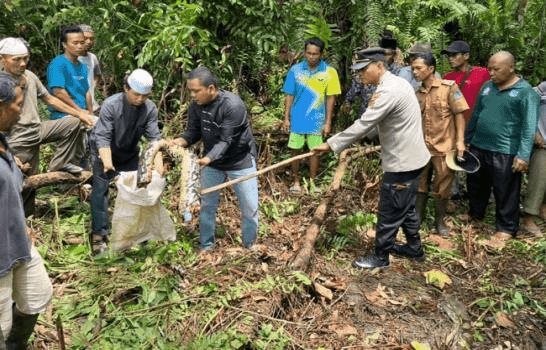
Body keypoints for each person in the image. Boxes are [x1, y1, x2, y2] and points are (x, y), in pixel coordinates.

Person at [314, 48, 430, 269]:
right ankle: (414, 249)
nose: (361, 75)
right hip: (413, 158)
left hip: (403, 162)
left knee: (390, 209)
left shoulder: (388, 91)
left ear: (379, 66)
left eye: (364, 69)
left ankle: (380, 257)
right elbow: (378, 123)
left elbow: (365, 123)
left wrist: (331, 145)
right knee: (405, 206)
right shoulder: (396, 84)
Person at [0, 37, 93, 216]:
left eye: (25, 58)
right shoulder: (2, 83)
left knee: (73, 123)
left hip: (37, 129)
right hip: (17, 137)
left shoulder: (30, 76)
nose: (22, 63)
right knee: (25, 181)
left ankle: (61, 164)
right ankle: (23, 221)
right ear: (2, 58)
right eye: (16, 59)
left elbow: (49, 99)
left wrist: (80, 113)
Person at [171, 66, 258, 250]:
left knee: (249, 208)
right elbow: (193, 132)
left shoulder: (233, 105)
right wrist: (179, 141)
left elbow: (226, 141)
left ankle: (250, 245)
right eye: (190, 91)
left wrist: (206, 159)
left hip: (239, 161)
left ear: (211, 88)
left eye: (196, 91)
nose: (193, 95)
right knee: (207, 206)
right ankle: (206, 246)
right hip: (212, 162)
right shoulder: (196, 105)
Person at [0, 72, 53, 349]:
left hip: (20, 244)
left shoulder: (3, 140)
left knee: (37, 297)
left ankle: (16, 345)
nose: (21, 113)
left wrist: (21, 225)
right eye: (17, 105)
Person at [465, 51, 540, 239]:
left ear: (511, 68)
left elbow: (529, 126)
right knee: (476, 184)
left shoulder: (525, 92)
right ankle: (476, 214)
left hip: (505, 150)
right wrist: (466, 139)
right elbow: (476, 114)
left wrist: (523, 155)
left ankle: (506, 228)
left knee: (505, 190)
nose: (491, 73)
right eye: (489, 68)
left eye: (496, 69)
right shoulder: (487, 87)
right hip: (479, 145)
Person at [89, 69, 161, 255]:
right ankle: (99, 235)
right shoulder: (111, 105)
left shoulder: (150, 108)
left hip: (129, 152)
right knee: (100, 190)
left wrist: (158, 165)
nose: (140, 99)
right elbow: (103, 136)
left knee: (136, 189)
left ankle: (135, 232)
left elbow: (154, 139)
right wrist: (107, 162)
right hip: (105, 150)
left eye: (144, 96)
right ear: (125, 88)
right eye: (136, 94)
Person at [411, 52, 469, 235]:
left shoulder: (449, 88)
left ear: (431, 69)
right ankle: (417, 219)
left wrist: (460, 141)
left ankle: (440, 222)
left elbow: (459, 114)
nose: (414, 72)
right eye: (413, 68)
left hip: (444, 146)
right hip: (421, 148)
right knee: (420, 184)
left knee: (443, 185)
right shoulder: (417, 92)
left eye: (418, 68)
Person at [282, 37, 341, 194]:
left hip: (317, 120)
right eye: (308, 53)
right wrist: (286, 118)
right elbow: (289, 95)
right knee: (295, 150)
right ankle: (295, 182)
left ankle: (312, 183)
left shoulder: (330, 72)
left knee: (315, 151)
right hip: (297, 119)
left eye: (315, 54)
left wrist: (328, 121)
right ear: (304, 52)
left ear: (321, 54)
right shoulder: (295, 70)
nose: (311, 57)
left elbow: (331, 98)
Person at [341, 31, 403, 118]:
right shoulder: (369, 68)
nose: (385, 57)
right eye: (383, 54)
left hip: (387, 118)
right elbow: (354, 89)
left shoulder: (399, 72)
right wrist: (348, 103)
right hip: (366, 116)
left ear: (393, 54)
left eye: (388, 54)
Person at [47, 25, 92, 120]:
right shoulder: (58, 64)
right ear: (64, 44)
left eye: (82, 43)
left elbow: (86, 91)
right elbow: (58, 92)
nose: (79, 46)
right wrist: (79, 111)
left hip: (83, 114)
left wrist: (90, 113)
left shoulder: (82, 66)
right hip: (63, 115)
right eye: (75, 43)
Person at [521, 81, 546, 236]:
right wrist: (534, 131)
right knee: (539, 178)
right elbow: (527, 103)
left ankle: (543, 209)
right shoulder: (543, 87)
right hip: (543, 142)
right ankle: (529, 218)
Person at [442, 40, 490, 122]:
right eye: (448, 55)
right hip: (455, 123)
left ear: (466, 56)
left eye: (454, 55)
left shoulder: (483, 73)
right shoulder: (447, 77)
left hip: (477, 123)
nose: (450, 58)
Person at [78, 24, 102, 113]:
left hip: (93, 106)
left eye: (91, 38)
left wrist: (92, 88)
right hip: (77, 109)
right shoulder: (70, 59)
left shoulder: (93, 58)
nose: (89, 41)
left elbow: (97, 75)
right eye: (85, 38)